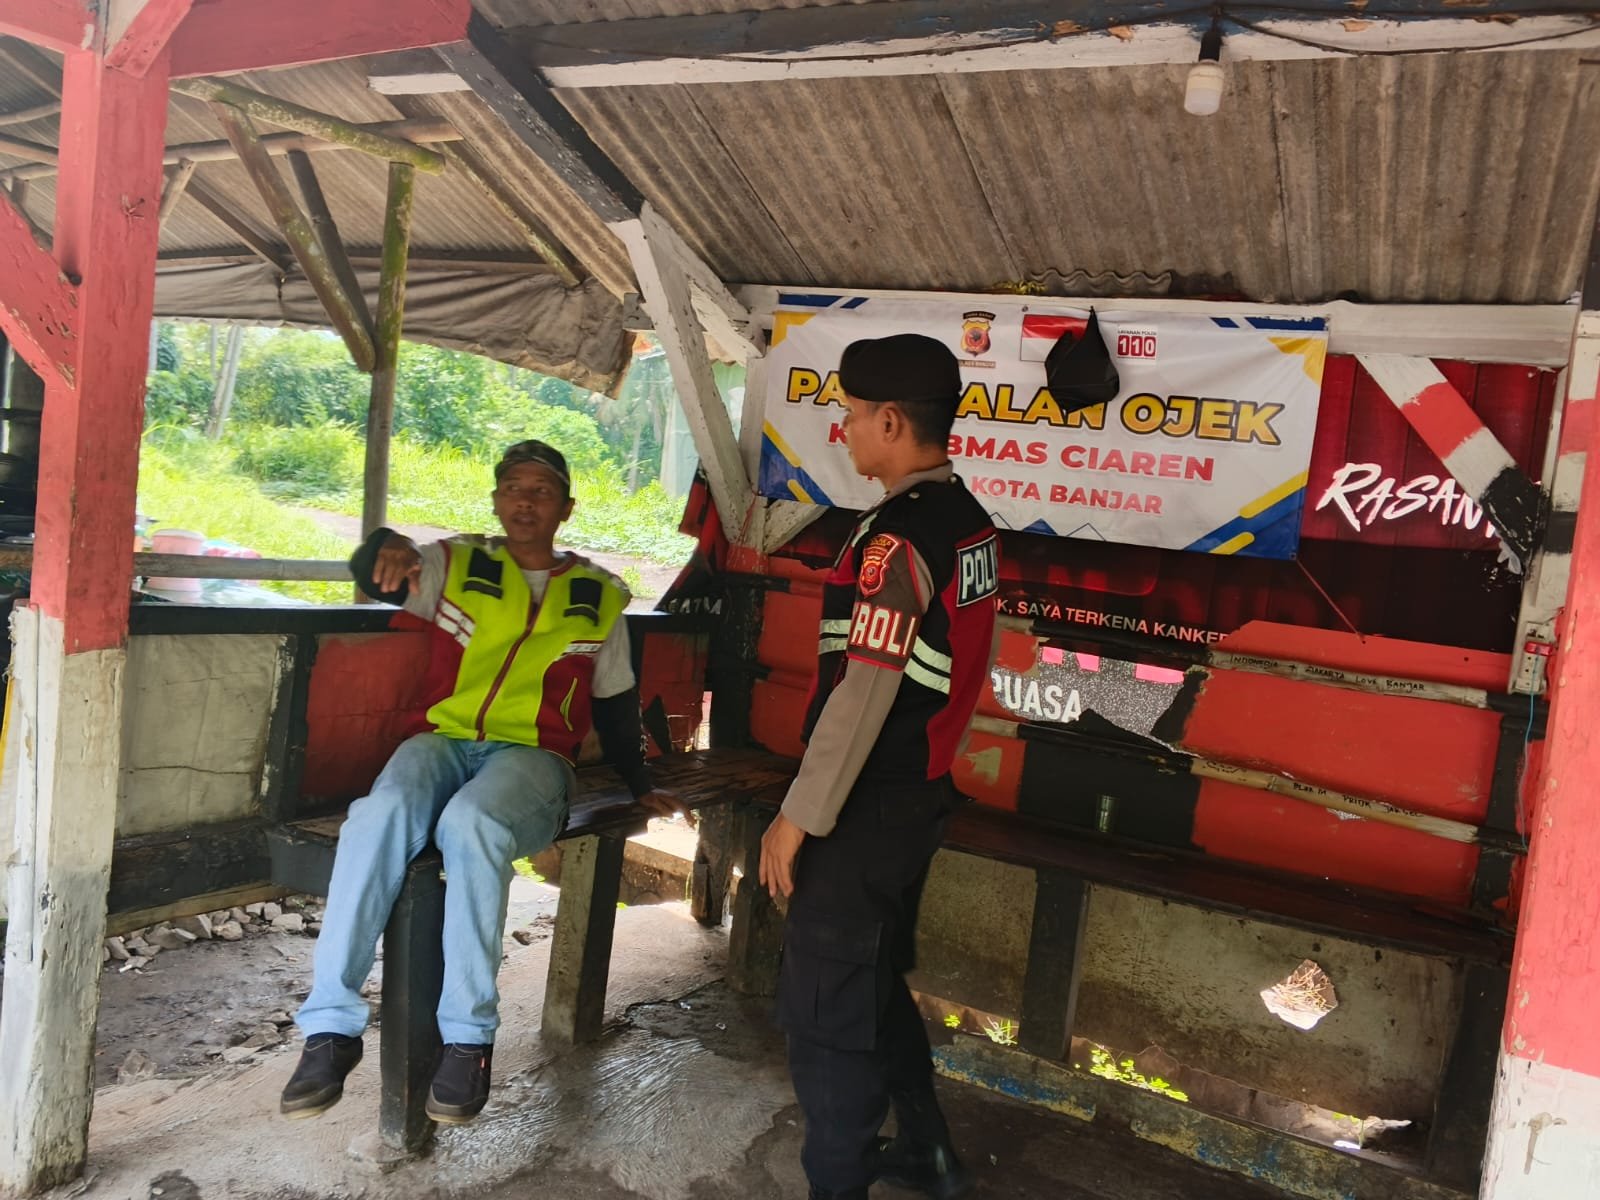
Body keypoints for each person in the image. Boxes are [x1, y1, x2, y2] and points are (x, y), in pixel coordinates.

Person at [280, 439, 682, 1126]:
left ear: (565, 508)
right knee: (376, 816)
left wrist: (638, 782)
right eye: (513, 488)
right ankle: (330, 1029)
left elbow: (616, 701)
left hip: (533, 758)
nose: (525, 501)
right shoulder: (456, 564)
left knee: (472, 823)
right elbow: (377, 575)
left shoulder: (598, 594)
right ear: (496, 500)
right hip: (442, 741)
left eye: (542, 490)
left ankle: (468, 1040)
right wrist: (384, 544)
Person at [759, 334, 999, 1200]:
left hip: (866, 805)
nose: (846, 428)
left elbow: (865, 689)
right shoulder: (967, 521)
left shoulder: (898, 538)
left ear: (891, 422)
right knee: (870, 981)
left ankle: (838, 1183)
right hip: (918, 795)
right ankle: (929, 1152)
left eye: (854, 414)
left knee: (827, 1015)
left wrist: (799, 815)